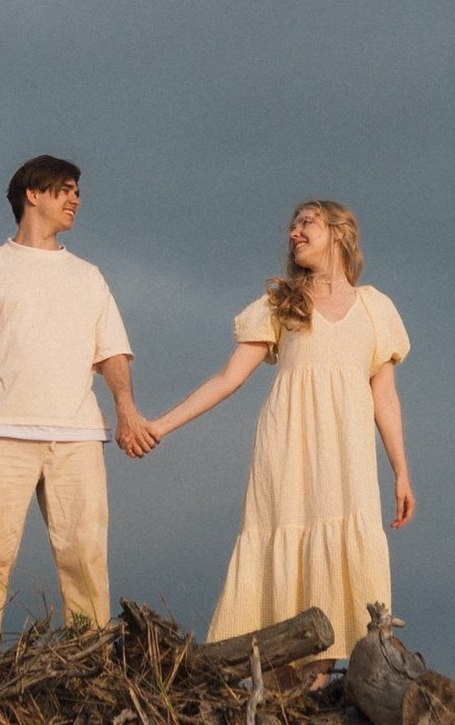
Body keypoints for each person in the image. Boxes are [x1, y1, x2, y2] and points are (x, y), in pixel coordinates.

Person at [146, 198, 413, 659]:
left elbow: (384, 395)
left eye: (306, 223)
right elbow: (228, 379)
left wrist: (401, 471)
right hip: (288, 447)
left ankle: (347, 669)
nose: (294, 233)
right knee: (281, 534)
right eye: (292, 226)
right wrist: (160, 426)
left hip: (346, 456)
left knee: (347, 539)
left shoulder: (376, 308)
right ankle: (266, 667)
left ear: (339, 232)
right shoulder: (281, 303)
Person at [0, 157, 156, 638]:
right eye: (65, 189)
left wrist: (126, 409)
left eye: (77, 191)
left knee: (84, 554)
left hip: (78, 434)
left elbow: (113, 354)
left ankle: (91, 660)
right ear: (33, 194)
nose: (75, 199)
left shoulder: (88, 276)